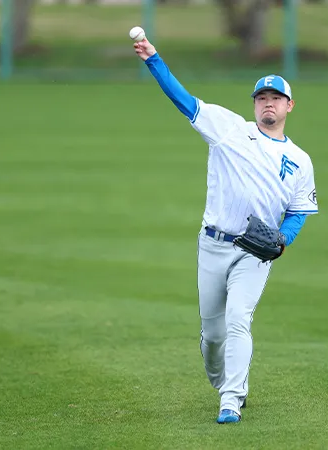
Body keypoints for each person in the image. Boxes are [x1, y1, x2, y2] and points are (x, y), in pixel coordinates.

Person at [132, 38, 318, 424]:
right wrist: (154, 60)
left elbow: (298, 212)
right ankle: (222, 382)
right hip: (213, 245)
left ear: (289, 105)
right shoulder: (229, 130)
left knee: (238, 319)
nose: (268, 103)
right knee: (213, 336)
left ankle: (231, 399)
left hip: (255, 253)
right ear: (254, 104)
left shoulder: (300, 161)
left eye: (276, 98)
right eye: (262, 98)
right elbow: (184, 101)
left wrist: (283, 240)